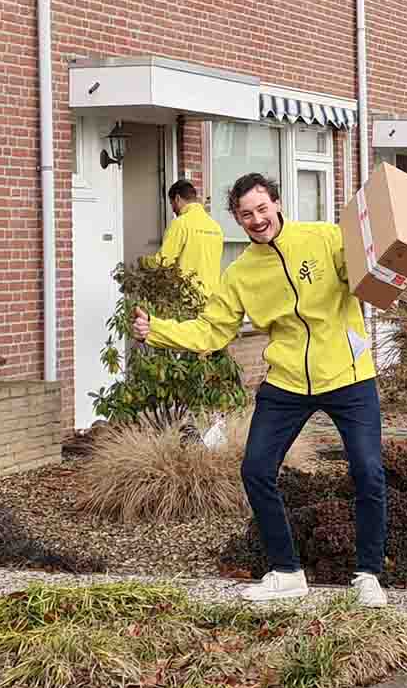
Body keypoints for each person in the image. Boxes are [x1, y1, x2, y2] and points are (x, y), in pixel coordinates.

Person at [134, 172, 388, 608]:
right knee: (255, 469)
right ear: (237, 219)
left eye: (262, 209)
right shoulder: (240, 274)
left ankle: (368, 574)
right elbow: (213, 330)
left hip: (348, 374)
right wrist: (157, 330)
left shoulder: (324, 238)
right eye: (246, 214)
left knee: (368, 471)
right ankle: (286, 572)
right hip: (287, 380)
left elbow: (370, 275)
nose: (257, 219)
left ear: (277, 204)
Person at [155, 177, 224, 293]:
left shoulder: (180, 224)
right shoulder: (216, 227)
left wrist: (144, 262)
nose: (173, 210)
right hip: (212, 296)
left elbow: (164, 262)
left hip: (187, 297)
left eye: (172, 203)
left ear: (177, 198)